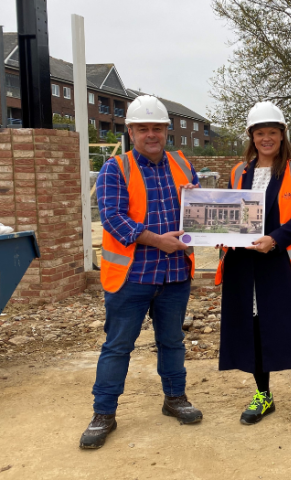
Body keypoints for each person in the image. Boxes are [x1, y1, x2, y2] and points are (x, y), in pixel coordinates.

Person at [80, 95, 203, 449]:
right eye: (143, 128)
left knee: (172, 342)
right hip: (132, 277)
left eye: (157, 128)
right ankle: (104, 413)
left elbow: (195, 212)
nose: (151, 134)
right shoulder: (115, 169)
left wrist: (198, 202)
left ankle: (174, 398)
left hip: (175, 274)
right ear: (131, 132)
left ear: (167, 131)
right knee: (117, 347)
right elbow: (115, 220)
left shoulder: (182, 164)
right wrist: (156, 240)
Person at [214, 102, 291, 431]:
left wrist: (275, 239)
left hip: (281, 264)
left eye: (272, 132)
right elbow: (229, 214)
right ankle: (264, 395)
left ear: (283, 135)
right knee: (253, 330)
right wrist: (216, 230)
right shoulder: (238, 172)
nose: (266, 138)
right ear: (252, 137)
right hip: (245, 267)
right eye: (260, 133)